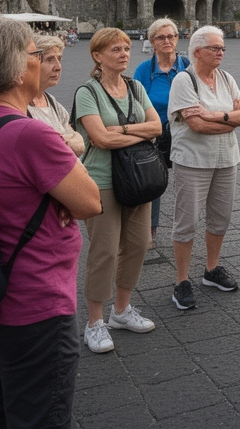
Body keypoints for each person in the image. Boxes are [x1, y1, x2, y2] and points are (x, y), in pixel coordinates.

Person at [0, 18, 100, 428]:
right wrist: (57, 196)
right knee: (39, 417)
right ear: (16, 70)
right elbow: (89, 202)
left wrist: (53, 193)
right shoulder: (30, 134)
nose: (42, 61)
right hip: (35, 300)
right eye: (35, 54)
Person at [73, 28, 163, 354]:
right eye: (115, 49)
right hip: (102, 180)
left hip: (138, 177)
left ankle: (121, 310)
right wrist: (138, 134)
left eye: (126, 48)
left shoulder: (136, 87)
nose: (124, 53)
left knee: (138, 244)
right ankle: (94, 321)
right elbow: (100, 139)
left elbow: (157, 127)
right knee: (105, 251)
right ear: (98, 56)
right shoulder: (88, 92)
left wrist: (123, 130)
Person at [168, 26, 240, 309]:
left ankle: (211, 269)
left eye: (223, 48)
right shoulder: (184, 80)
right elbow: (196, 125)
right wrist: (230, 121)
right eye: (215, 48)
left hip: (227, 159)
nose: (221, 52)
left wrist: (218, 115)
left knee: (220, 218)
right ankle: (181, 280)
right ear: (197, 51)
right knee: (186, 221)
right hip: (193, 160)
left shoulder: (226, 78)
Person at [133, 19, 190, 246]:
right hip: (155, 133)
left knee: (186, 183)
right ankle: (150, 231)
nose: (167, 41)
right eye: (161, 37)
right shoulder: (144, 70)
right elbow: (136, 103)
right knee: (152, 182)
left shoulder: (187, 66)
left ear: (177, 39)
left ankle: (185, 228)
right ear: (152, 42)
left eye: (171, 37)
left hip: (184, 132)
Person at [27, 33, 86, 156]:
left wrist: (61, 141)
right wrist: (68, 139)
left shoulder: (51, 102)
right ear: (31, 63)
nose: (58, 67)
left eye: (59, 59)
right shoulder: (20, 106)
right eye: (49, 59)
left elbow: (80, 145)